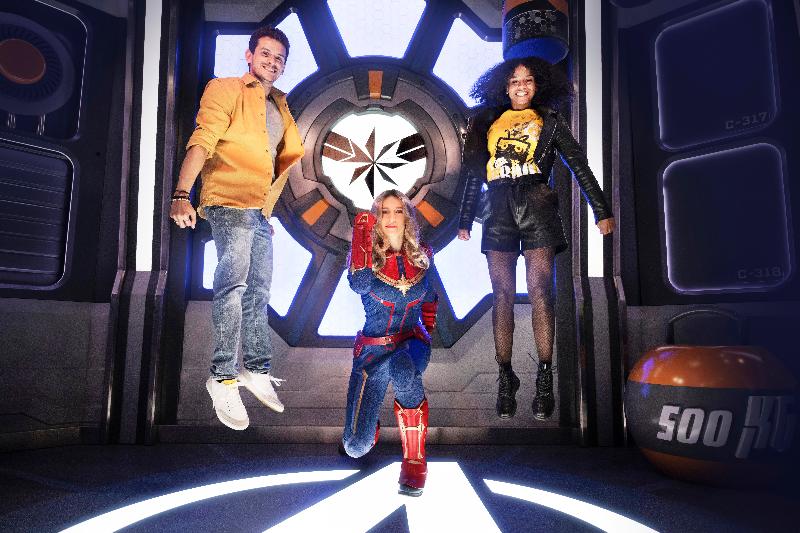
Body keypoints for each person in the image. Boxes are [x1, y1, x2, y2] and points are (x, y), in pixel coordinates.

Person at [457, 57, 615, 420]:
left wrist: (601, 209)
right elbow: (472, 174)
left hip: (537, 205)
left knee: (541, 291)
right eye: (515, 81)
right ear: (504, 86)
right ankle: (505, 377)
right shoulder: (486, 121)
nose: (521, 86)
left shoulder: (550, 120)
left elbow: (578, 164)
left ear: (538, 85)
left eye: (528, 80)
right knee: (502, 295)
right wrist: (464, 219)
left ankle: (545, 379)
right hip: (498, 209)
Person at [169, 26, 304, 430]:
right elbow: (203, 140)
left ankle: (256, 369)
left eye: (279, 58)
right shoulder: (226, 88)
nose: (272, 62)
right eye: (265, 54)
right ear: (249, 56)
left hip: (258, 212)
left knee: (260, 291)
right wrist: (181, 193)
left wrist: (266, 213)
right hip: (228, 200)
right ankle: (222, 377)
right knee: (233, 287)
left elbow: (276, 161)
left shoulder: (280, 105)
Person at [341, 189, 438, 497]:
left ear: (407, 216)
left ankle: (414, 461)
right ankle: (369, 429)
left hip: (411, 344)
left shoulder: (423, 254)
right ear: (376, 218)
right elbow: (359, 285)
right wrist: (362, 234)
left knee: (402, 367)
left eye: (398, 211)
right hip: (372, 353)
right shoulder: (365, 257)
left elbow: (431, 299)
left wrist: (427, 335)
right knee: (355, 446)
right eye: (384, 212)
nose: (392, 218)